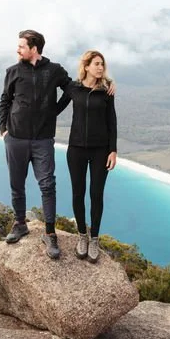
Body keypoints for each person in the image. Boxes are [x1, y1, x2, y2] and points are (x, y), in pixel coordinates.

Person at [0, 30, 73, 259]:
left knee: (47, 185)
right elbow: (5, 100)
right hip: (16, 139)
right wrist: (4, 130)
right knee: (16, 184)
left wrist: (54, 112)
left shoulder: (54, 70)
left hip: (43, 139)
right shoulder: (13, 71)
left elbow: (70, 89)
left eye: (21, 46)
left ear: (34, 48)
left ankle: (50, 234)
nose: (17, 49)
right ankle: (20, 224)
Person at [55, 50, 117, 263]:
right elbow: (55, 109)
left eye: (102, 64)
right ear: (87, 66)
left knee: (96, 195)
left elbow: (112, 121)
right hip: (76, 149)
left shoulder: (107, 90)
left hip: (100, 150)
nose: (100, 67)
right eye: (97, 64)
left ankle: (95, 239)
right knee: (78, 193)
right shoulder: (73, 88)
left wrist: (113, 150)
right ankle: (82, 235)